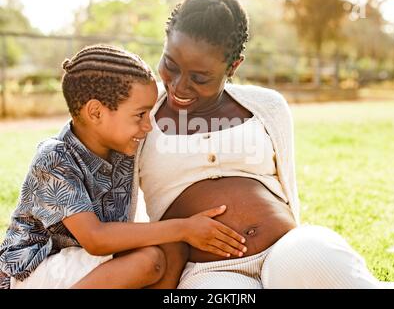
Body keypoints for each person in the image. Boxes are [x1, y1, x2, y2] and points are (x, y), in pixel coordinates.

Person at [135, 0, 394, 289]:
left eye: (200, 77)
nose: (180, 85)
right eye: (171, 65)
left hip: (287, 248)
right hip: (208, 271)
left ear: (233, 67)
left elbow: (289, 189)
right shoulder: (136, 114)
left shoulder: (267, 106)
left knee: (322, 263)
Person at [0, 44, 247, 289]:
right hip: (32, 271)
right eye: (140, 115)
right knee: (149, 260)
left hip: (82, 264)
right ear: (95, 112)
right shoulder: (54, 157)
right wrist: (184, 227)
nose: (148, 125)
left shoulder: (122, 147)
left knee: (170, 248)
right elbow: (96, 239)